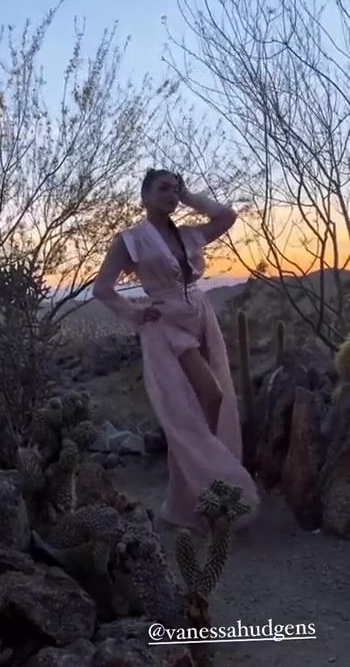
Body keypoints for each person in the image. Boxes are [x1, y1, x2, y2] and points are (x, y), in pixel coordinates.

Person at [93, 168, 259, 535]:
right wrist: (136, 313)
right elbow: (102, 288)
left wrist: (190, 198)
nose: (171, 194)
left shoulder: (187, 235)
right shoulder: (131, 240)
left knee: (199, 408)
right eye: (164, 188)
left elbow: (227, 217)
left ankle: (187, 499)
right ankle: (212, 483)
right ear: (145, 195)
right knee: (210, 396)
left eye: (175, 189)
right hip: (166, 324)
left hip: (200, 314)